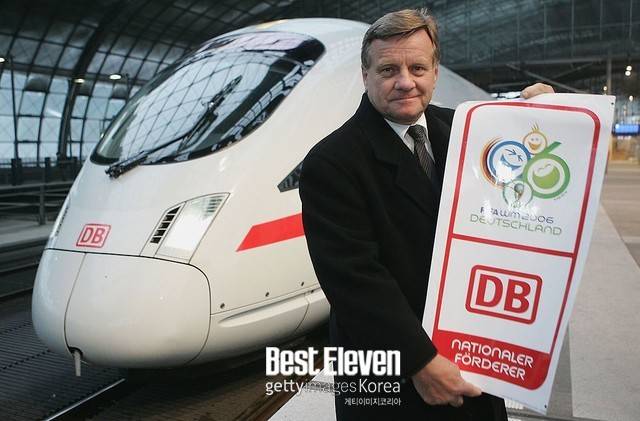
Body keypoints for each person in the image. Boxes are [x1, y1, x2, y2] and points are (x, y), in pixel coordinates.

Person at [299, 8, 554, 421]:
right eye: (388, 69)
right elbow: (355, 280)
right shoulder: (332, 162)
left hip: (473, 357)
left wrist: (552, 118)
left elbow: (531, 177)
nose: (405, 81)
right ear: (365, 76)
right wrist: (418, 361)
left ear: (435, 73)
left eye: (417, 67)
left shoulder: (469, 132)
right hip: (392, 375)